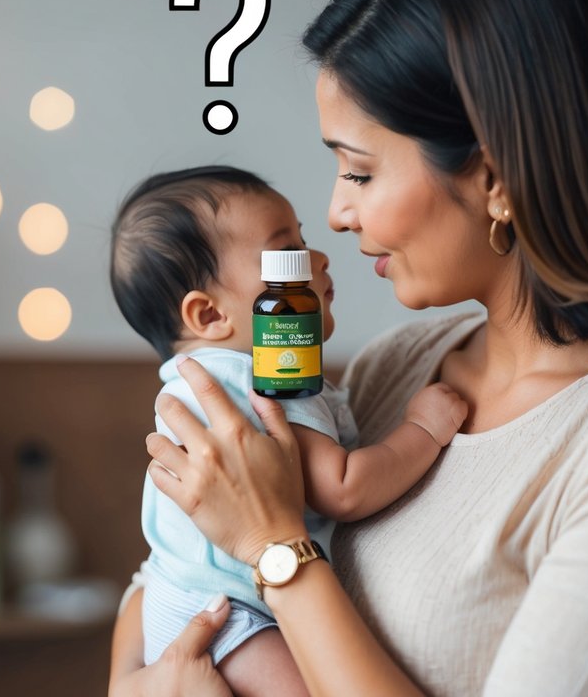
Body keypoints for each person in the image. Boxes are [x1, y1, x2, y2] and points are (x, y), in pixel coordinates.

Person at [108, 0, 588, 696]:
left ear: (492, 177)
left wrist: (275, 549)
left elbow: (249, 535)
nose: (337, 213)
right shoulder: (402, 365)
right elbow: (161, 580)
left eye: (358, 172)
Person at [109, 166, 468, 697]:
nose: (317, 258)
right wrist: (422, 430)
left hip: (181, 602)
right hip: (228, 620)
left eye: (302, 240)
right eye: (286, 254)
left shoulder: (198, 381)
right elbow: (340, 487)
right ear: (209, 314)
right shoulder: (256, 377)